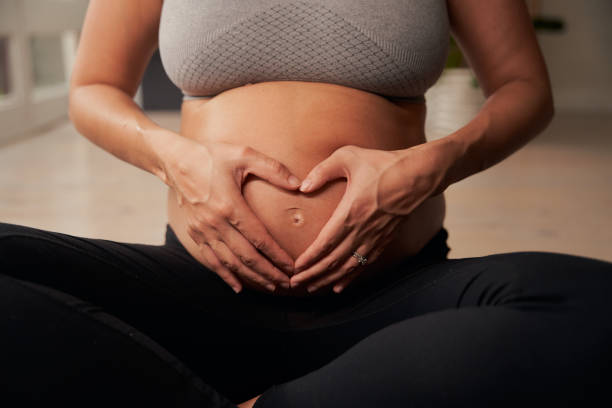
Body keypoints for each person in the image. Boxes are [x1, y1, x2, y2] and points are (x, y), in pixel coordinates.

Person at [1, 0, 611, 406]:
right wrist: (173, 158)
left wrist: (431, 166)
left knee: (593, 306)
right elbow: (91, 88)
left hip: (392, 303)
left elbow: (524, 88)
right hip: (202, 291)